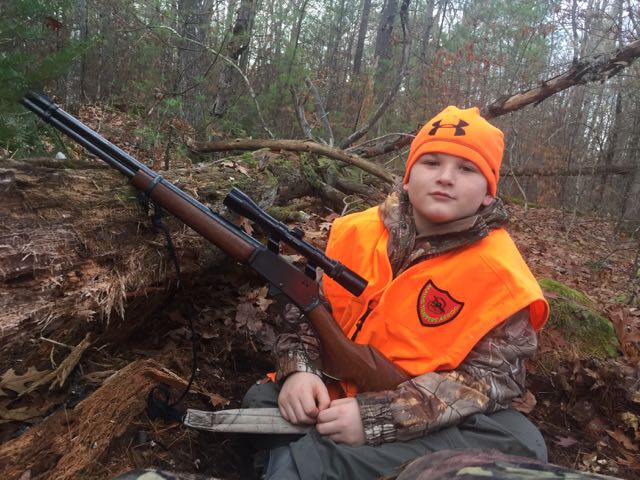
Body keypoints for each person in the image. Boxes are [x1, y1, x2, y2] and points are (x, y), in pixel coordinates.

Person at [242, 106, 550, 480]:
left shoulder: (503, 276)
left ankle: (305, 462)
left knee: (519, 440)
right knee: (261, 399)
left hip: (418, 416)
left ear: (488, 193)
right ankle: (318, 460)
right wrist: (298, 371)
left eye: (467, 169)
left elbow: (489, 382)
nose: (445, 178)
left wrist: (379, 418)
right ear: (407, 177)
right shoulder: (354, 231)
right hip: (333, 393)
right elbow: (305, 311)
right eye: (431, 162)